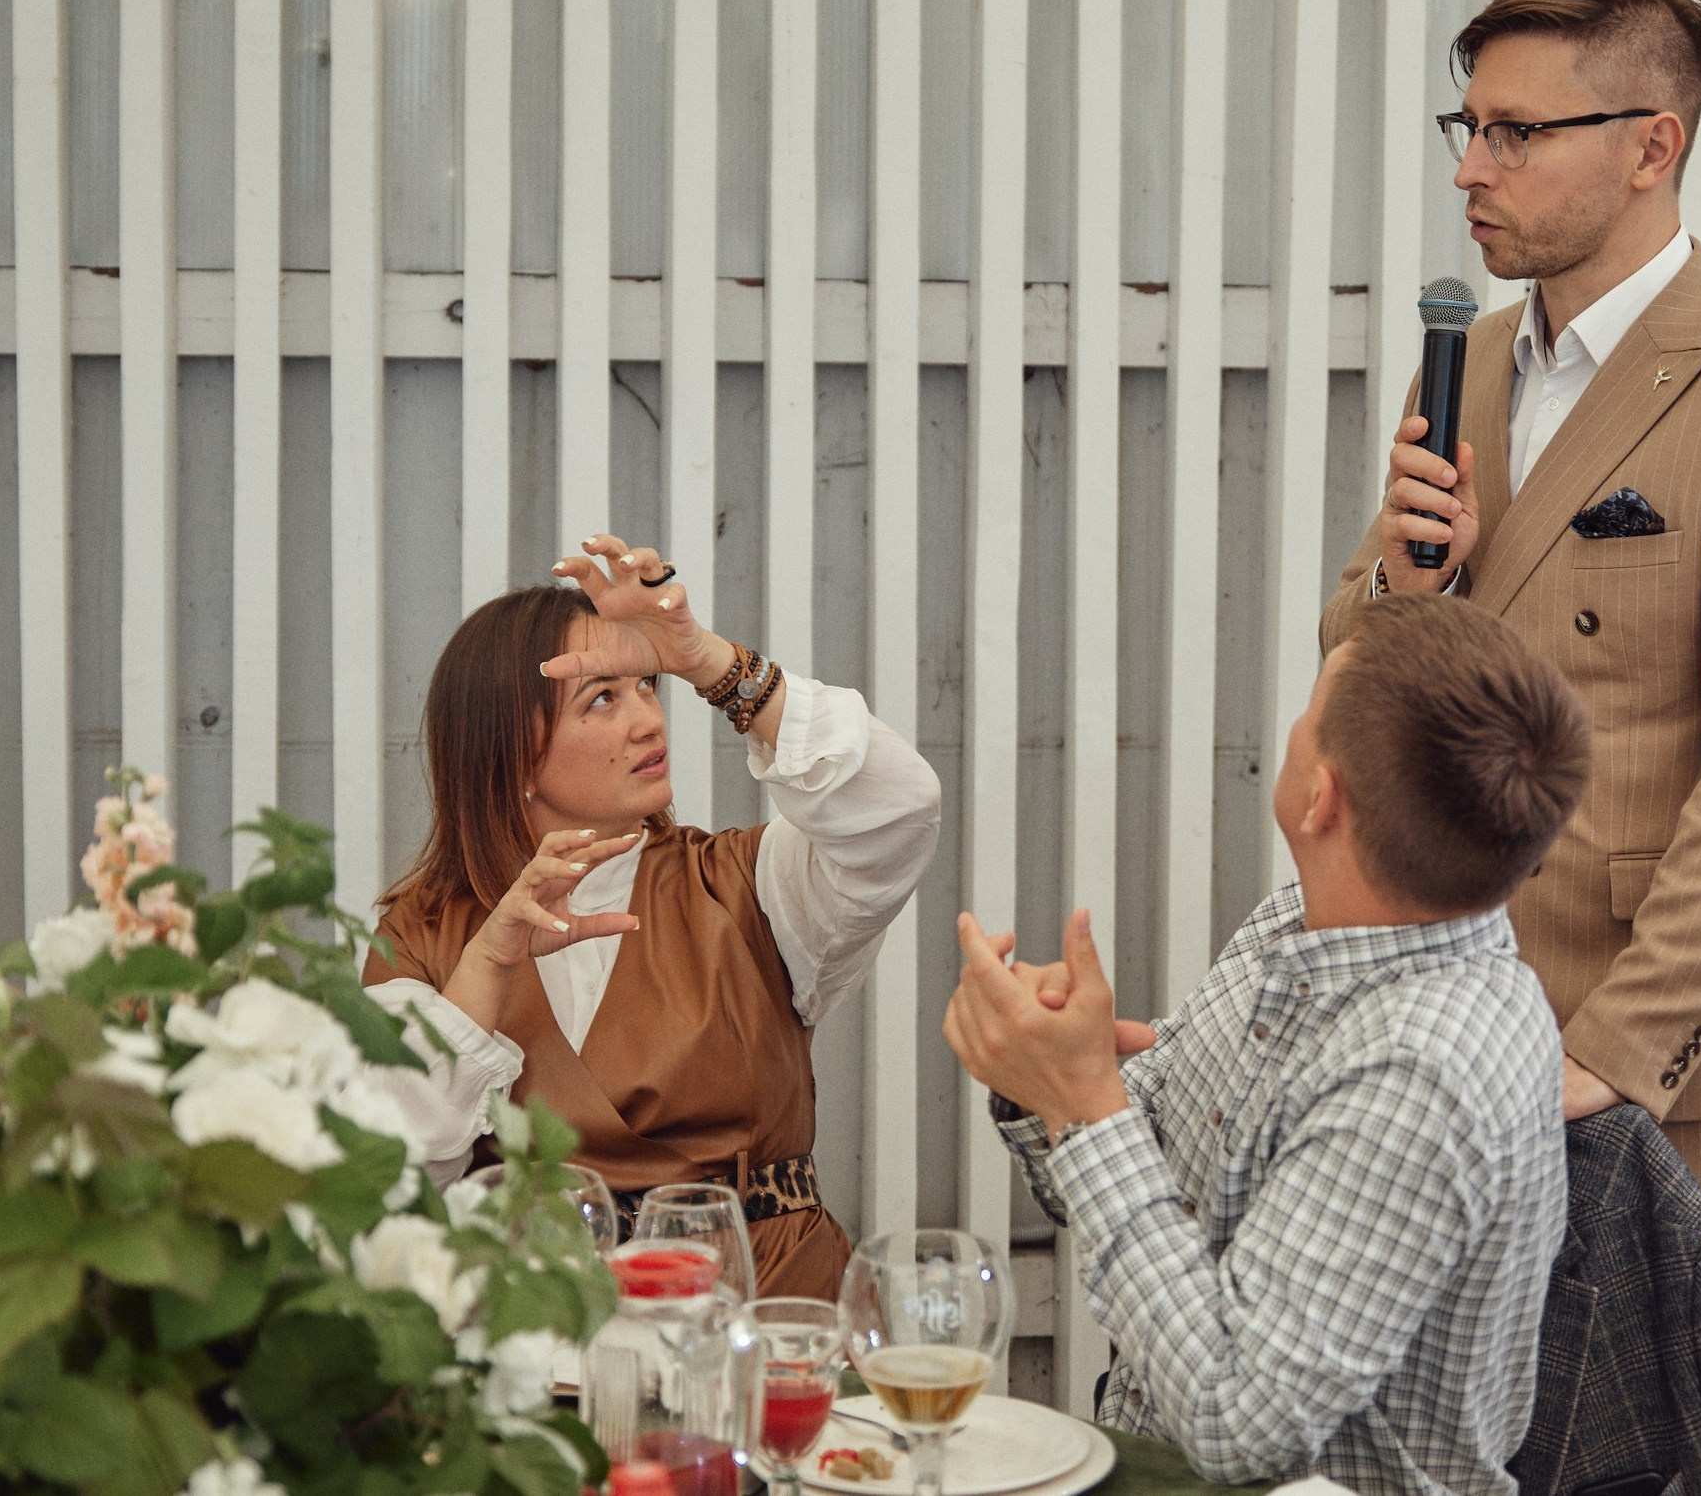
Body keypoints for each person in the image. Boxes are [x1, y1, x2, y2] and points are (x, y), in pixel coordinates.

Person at [1323, 0, 1701, 1225]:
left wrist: (1616, 1055)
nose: (1471, 168)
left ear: (1652, 147)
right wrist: (1414, 576)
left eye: (1515, 133)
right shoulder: (1464, 362)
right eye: (1466, 129)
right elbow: (1351, 665)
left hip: (1636, 1056)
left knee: (1599, 1426)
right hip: (1443, 1008)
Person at [943, 596, 1586, 1496]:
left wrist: (1085, 1107)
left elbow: (1234, 1422)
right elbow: (1148, 1164)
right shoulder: (1303, 921)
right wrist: (1060, 1073)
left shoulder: (1422, 1071)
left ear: (1321, 795)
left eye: (1304, 716)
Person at [362, 533, 941, 1298]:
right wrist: (487, 969)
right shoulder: (422, 933)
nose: (649, 721)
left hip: (762, 1336)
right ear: (506, 749)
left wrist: (706, 660)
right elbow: (378, 1184)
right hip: (536, 1353)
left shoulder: (748, 887)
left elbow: (902, 806)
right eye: (602, 697)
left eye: (648, 687)